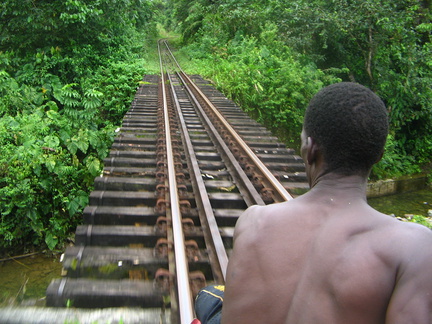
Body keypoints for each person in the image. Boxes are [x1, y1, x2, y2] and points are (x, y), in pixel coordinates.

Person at [194, 82, 432, 324]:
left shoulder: (253, 221)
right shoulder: (414, 247)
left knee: (209, 300)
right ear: (378, 156)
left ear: (310, 150)